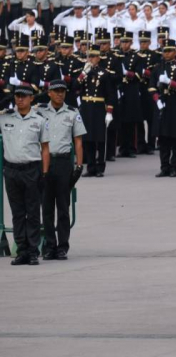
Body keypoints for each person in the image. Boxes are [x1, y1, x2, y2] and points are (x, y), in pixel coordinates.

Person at [36, 80, 86, 260]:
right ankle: (50, 246)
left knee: (63, 207)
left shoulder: (72, 113)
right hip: (46, 162)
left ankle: (63, 246)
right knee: (47, 206)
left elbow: (78, 142)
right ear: (49, 93)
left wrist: (79, 166)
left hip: (64, 162)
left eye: (62, 91)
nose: (59, 94)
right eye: (56, 91)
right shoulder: (39, 111)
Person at [0, 85, 50, 265]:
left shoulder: (39, 120)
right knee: (18, 212)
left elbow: (45, 148)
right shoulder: (5, 117)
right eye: (17, 96)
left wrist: (44, 172)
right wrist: (4, 100)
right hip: (12, 170)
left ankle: (33, 251)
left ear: (31, 99)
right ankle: (22, 250)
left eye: (24, 96)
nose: (19, 99)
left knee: (33, 212)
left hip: (32, 169)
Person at [149, 39, 176, 178]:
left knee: (175, 138)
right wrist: (157, 100)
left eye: (169, 51)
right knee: (163, 138)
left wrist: (170, 82)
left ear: (175, 52)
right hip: (161, 104)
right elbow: (151, 86)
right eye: (164, 51)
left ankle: (174, 167)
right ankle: (164, 166)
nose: (166, 53)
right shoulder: (158, 67)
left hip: (174, 103)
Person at [78, 44, 116, 178]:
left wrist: (109, 112)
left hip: (99, 107)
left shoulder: (104, 73)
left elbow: (111, 94)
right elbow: (75, 87)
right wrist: (83, 73)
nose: (91, 59)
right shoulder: (83, 72)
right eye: (89, 56)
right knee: (88, 139)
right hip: (86, 107)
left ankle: (100, 167)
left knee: (100, 139)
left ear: (98, 58)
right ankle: (91, 166)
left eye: (94, 56)